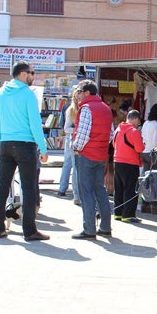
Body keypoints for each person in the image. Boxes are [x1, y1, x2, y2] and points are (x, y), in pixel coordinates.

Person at [0, 61, 50, 241]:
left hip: (5, 144)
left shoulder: (0, 93)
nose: (32, 76)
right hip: (25, 145)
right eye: (31, 73)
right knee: (28, 188)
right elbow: (35, 124)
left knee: (2, 187)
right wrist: (43, 148)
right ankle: (29, 231)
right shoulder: (28, 94)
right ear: (22, 73)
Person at [71, 79, 114, 240]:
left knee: (86, 192)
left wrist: (75, 148)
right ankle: (105, 226)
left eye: (79, 92)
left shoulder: (87, 108)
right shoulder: (106, 108)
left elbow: (82, 134)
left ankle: (89, 228)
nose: (78, 95)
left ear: (87, 93)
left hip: (86, 155)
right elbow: (111, 134)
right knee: (100, 190)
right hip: (101, 155)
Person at [113, 110, 145, 223]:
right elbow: (140, 148)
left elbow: (113, 144)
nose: (138, 124)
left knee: (119, 188)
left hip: (117, 161)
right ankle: (128, 215)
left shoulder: (118, 129)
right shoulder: (134, 131)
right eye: (138, 121)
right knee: (130, 189)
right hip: (130, 163)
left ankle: (118, 213)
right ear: (135, 119)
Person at [140, 103, 157, 214]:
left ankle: (144, 204)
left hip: (144, 152)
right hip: (154, 154)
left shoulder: (146, 123)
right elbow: (156, 142)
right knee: (155, 180)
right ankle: (154, 205)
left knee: (146, 179)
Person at [58, 88, 80, 205]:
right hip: (73, 139)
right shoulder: (71, 109)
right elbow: (66, 127)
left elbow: (62, 125)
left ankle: (62, 189)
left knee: (67, 164)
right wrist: (78, 130)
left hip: (69, 139)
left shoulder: (67, 107)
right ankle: (76, 195)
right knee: (75, 167)